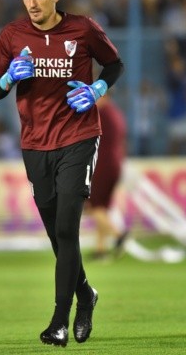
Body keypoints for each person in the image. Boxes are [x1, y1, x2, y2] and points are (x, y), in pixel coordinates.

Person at [0, 0, 124, 347]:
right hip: (35, 144)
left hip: (79, 137)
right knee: (55, 234)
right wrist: (7, 78)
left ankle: (59, 321)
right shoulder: (12, 35)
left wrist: (97, 88)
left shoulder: (83, 29)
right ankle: (86, 295)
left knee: (66, 229)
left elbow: (115, 64)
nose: (32, 4)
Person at [85, 93, 129, 260]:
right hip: (115, 163)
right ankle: (100, 249)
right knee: (102, 207)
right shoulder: (115, 113)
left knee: (93, 206)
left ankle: (119, 234)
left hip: (103, 164)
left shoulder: (101, 113)